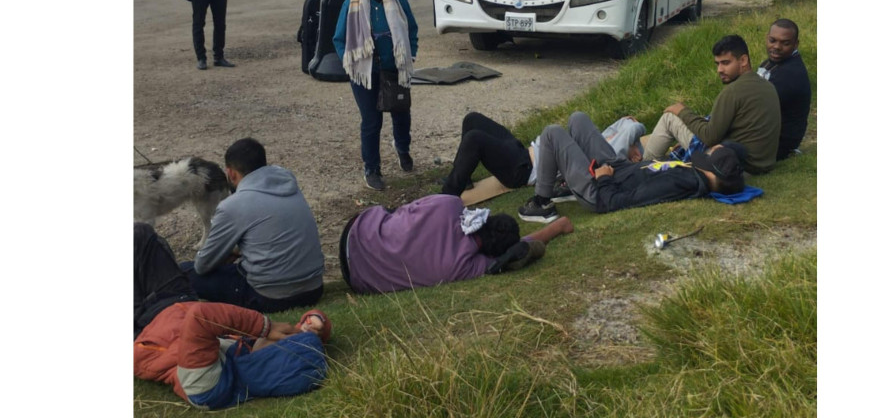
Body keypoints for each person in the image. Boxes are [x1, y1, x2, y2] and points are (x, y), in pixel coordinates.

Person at [134, 223, 330, 410]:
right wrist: (316, 323)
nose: (283, 336)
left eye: (285, 340)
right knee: (140, 234)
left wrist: (265, 326)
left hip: (142, 330)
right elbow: (299, 346)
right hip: (177, 303)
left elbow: (201, 317)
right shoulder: (251, 358)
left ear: (266, 359)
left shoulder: (208, 387)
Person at [180, 138, 326, 313]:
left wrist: (225, 253)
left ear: (231, 173)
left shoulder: (233, 206)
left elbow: (202, 265)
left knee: (184, 272)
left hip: (270, 297)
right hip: (314, 289)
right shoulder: (288, 184)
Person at [517, 112, 745, 223]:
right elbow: (657, 171)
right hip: (621, 169)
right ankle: (567, 188)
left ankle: (541, 203)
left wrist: (604, 178)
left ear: (713, 172)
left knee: (552, 133)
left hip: (601, 190)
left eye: (707, 158)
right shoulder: (694, 174)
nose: (702, 158)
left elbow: (619, 202)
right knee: (578, 119)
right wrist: (642, 163)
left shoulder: (683, 182)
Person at [339, 193, 574, 294]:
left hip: (359, 230)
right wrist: (556, 228)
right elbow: (515, 252)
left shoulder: (449, 205)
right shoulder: (464, 267)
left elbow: (405, 209)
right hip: (359, 280)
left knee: (403, 216)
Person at [334, 0, 419, 191]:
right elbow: (339, 39)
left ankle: (402, 148)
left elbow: (411, 28)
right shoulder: (351, 4)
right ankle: (372, 168)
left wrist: (410, 53)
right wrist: (350, 63)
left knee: (401, 113)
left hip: (396, 70)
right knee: (371, 121)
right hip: (364, 74)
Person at [641, 34, 780, 174]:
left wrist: (682, 111)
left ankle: (645, 169)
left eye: (725, 63)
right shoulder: (768, 86)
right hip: (763, 163)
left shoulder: (732, 92)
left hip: (735, 166)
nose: (719, 69)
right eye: (718, 64)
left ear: (743, 60)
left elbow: (709, 137)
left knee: (670, 117)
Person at [440, 111, 645, 197]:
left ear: (635, 158)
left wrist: (635, 137)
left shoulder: (613, 157)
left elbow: (632, 130)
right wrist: (631, 123)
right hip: (522, 151)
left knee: (474, 139)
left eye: (635, 149)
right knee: (472, 119)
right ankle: (462, 176)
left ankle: (447, 196)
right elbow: (625, 124)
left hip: (523, 170)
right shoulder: (605, 141)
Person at [756, 19, 811, 159]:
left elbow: (754, 109)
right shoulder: (772, 63)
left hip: (777, 144)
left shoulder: (790, 74)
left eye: (785, 43)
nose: (777, 47)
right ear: (766, 37)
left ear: (796, 44)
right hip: (764, 133)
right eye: (772, 40)